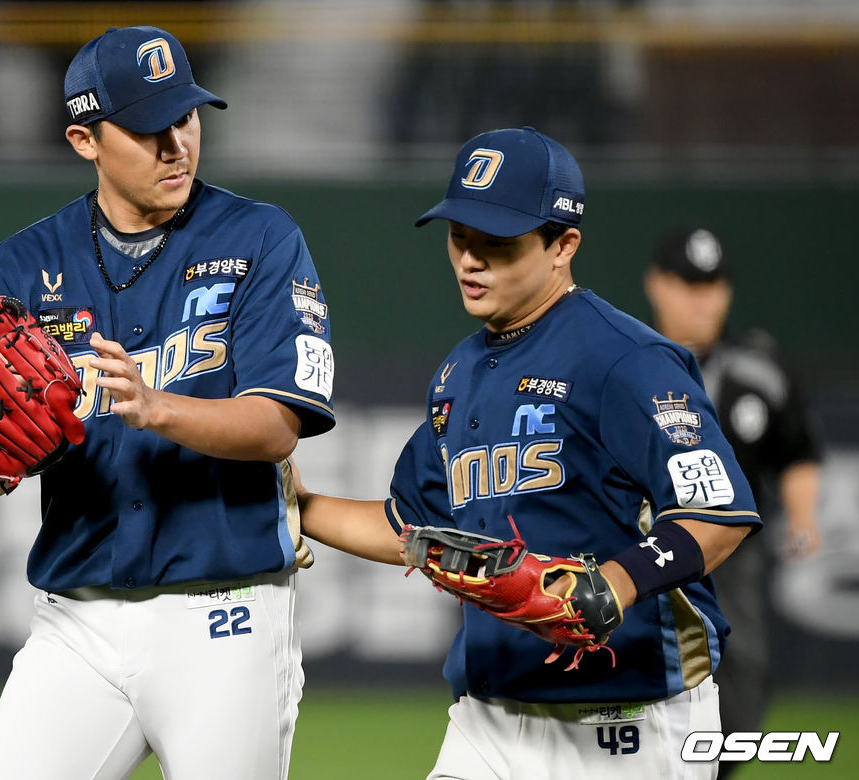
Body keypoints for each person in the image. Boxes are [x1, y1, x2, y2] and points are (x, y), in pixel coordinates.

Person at [294, 127, 760, 779]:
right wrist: (299, 506)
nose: (470, 260)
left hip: (631, 717)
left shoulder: (626, 360)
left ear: (563, 245)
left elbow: (718, 514)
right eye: (460, 236)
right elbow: (411, 529)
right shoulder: (458, 375)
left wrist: (611, 585)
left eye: (498, 242)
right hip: (488, 718)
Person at [0, 26, 335, 780]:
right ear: (84, 139)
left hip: (224, 612)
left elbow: (276, 426)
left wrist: (158, 408)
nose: (177, 145)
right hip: (76, 618)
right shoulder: (22, 265)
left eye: (186, 118)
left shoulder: (259, 238)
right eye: (150, 128)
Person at [644, 227, 823, 777]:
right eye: (688, 284)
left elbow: (795, 451)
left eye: (713, 285)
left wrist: (802, 516)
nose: (702, 299)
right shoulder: (627, 362)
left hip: (731, 555)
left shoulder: (759, 370)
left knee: (740, 692)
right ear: (657, 285)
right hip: (645, 550)